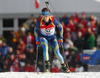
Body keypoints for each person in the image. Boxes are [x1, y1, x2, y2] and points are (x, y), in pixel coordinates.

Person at [34, 7, 70, 72]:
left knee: (57, 52)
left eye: (45, 16)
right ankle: (47, 65)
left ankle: (64, 66)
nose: (44, 18)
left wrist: (61, 38)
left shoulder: (53, 20)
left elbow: (61, 28)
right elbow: (36, 30)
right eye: (43, 16)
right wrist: (37, 40)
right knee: (45, 47)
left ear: (48, 15)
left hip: (52, 37)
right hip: (43, 37)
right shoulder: (40, 20)